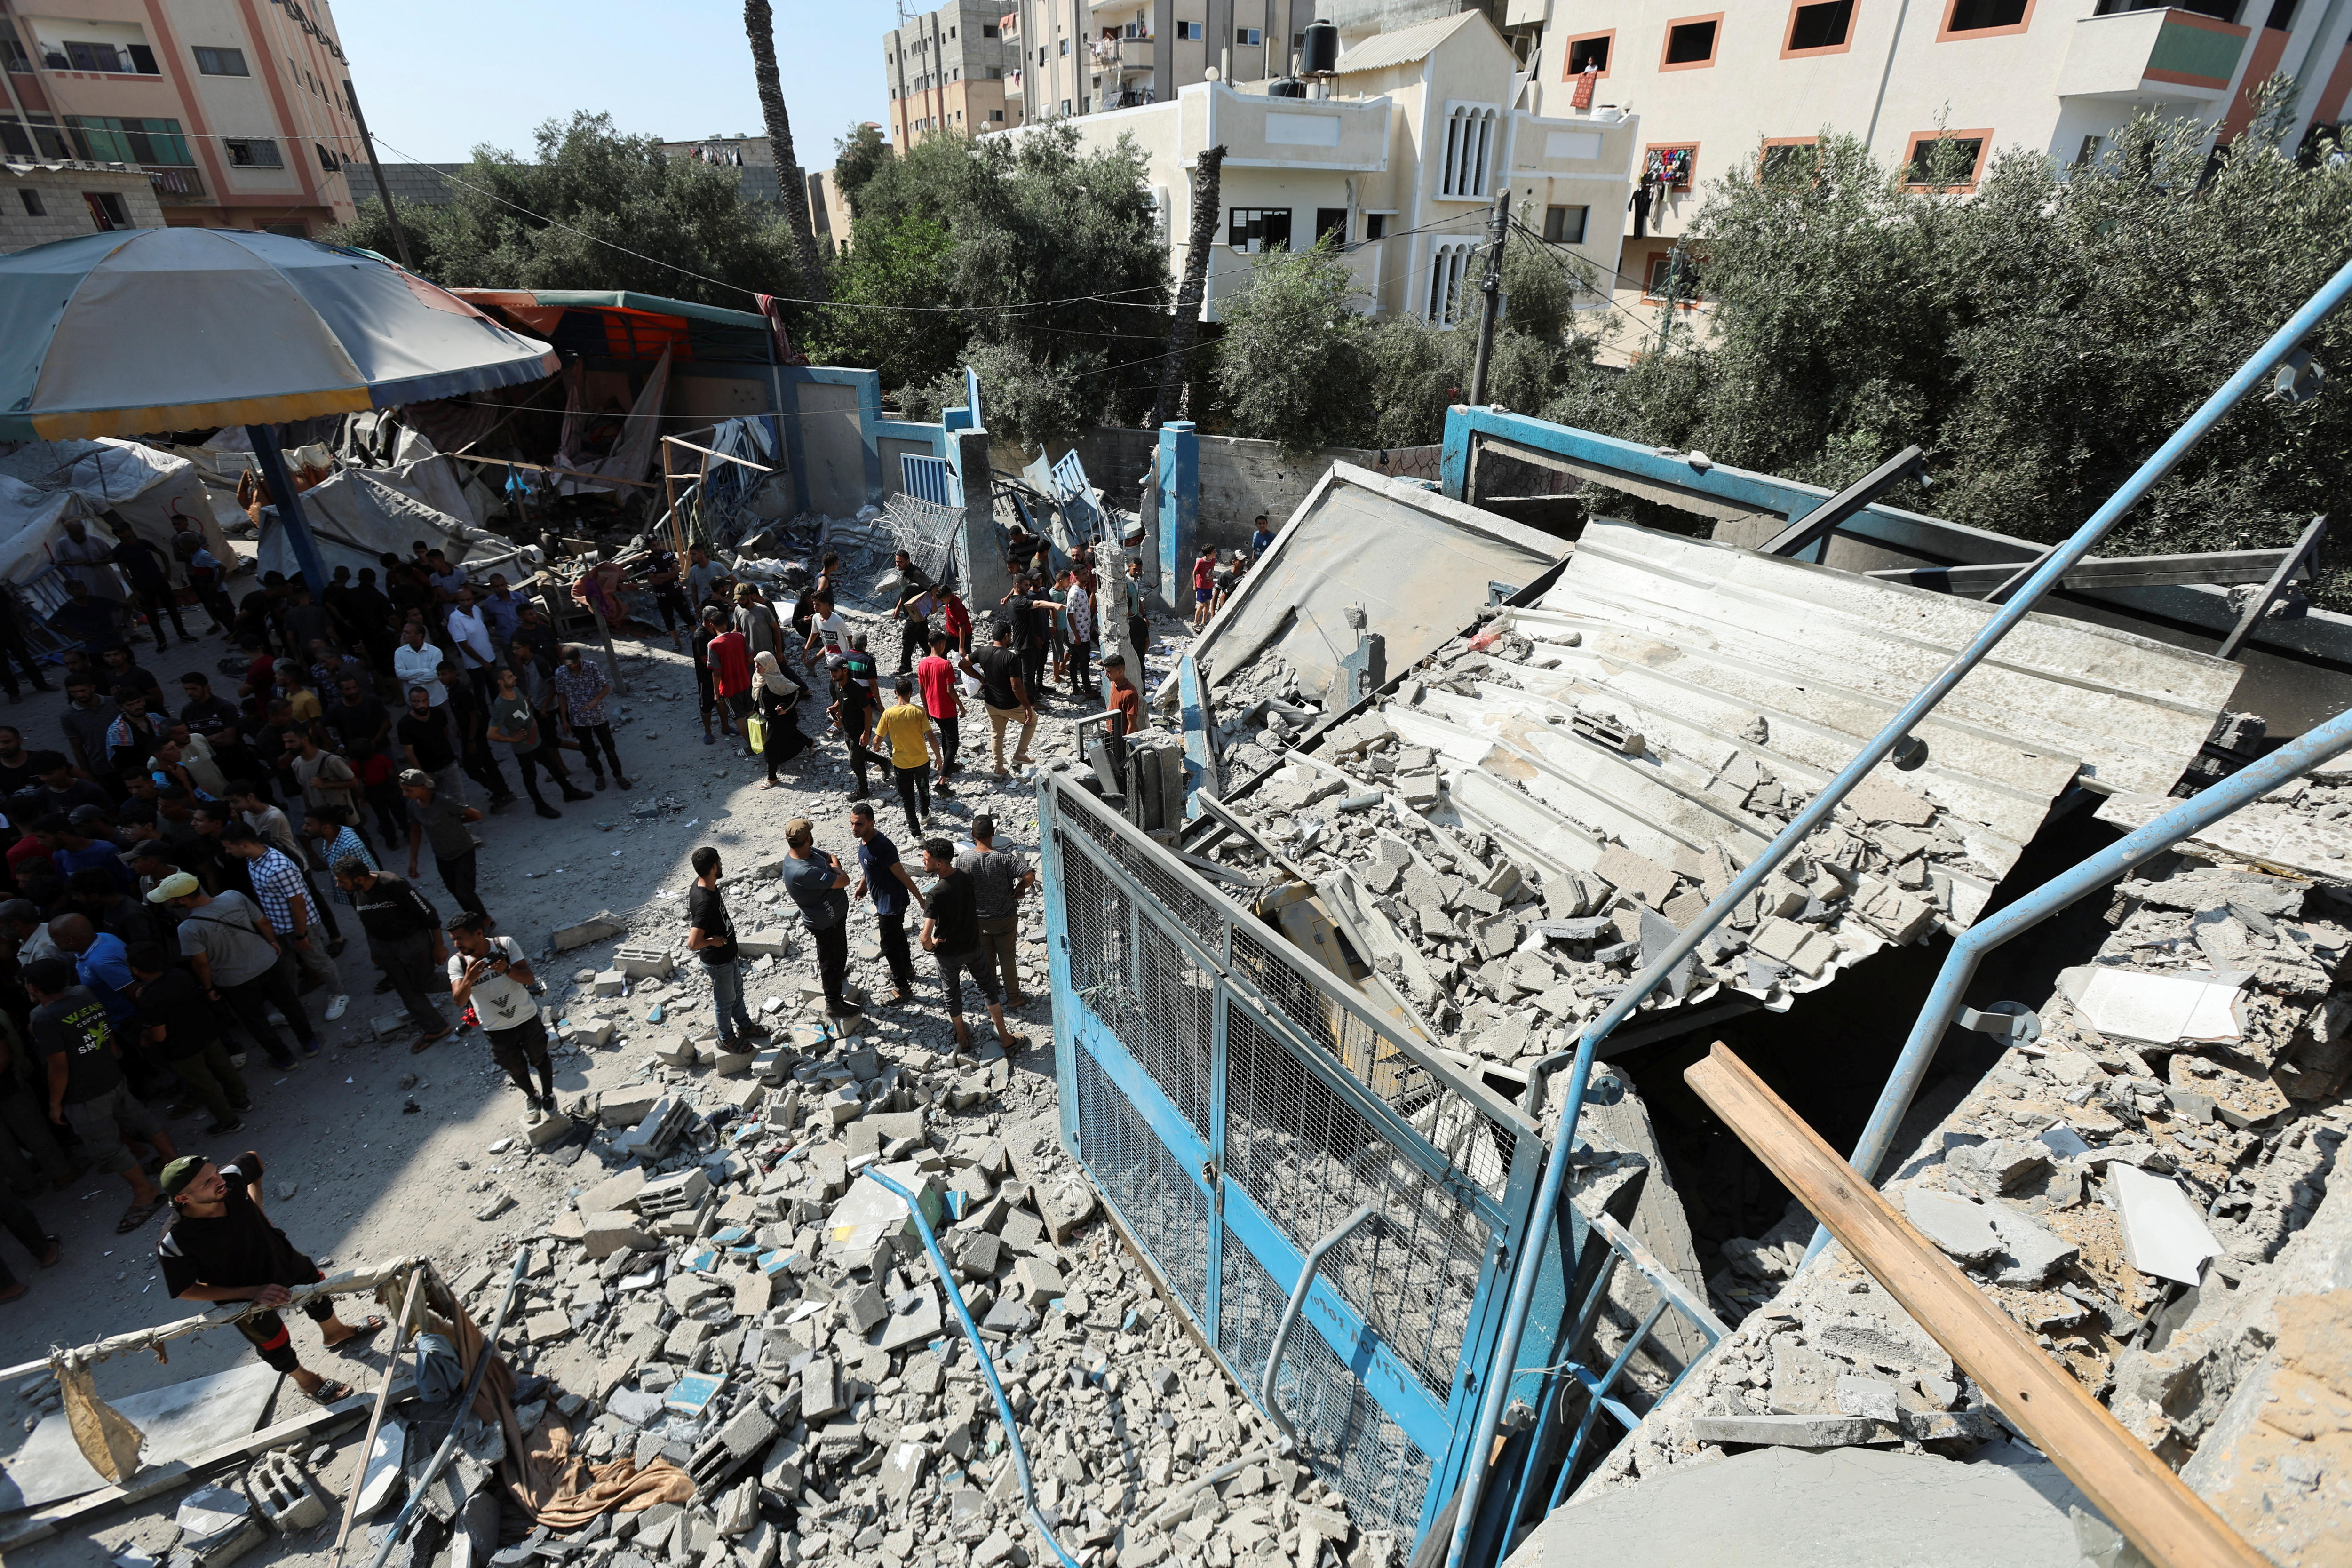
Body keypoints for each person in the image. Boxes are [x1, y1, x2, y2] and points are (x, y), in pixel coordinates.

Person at [155, 1152, 379, 1404]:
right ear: (183, 1198)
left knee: (315, 1288)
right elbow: (186, 1290)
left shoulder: (230, 1180)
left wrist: (257, 1210)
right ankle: (305, 1380)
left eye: (215, 1172)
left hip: (282, 1259)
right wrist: (252, 1292)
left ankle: (336, 1332)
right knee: (272, 1339)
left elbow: (253, 1160)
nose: (219, 1181)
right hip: (241, 1295)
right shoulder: (175, 1241)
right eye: (207, 1183)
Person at [25, 955, 175, 1233]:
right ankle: (171, 1160)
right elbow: (106, 1034)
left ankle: (146, 1192)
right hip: (111, 1076)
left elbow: (59, 1066)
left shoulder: (45, 1019)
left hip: (84, 1095)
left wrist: (55, 1104)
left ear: (34, 988)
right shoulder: (84, 996)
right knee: (140, 1118)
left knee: (106, 1147)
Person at [218, 824, 348, 1021]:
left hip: (299, 927)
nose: (227, 852)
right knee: (286, 968)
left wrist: (301, 935)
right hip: (278, 926)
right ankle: (290, 1007)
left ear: (244, 846)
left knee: (319, 961)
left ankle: (339, 995)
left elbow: (299, 905)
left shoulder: (279, 868)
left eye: (229, 848)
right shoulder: (253, 860)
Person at [127, 941, 247, 1134]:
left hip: (183, 1050)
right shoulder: (180, 975)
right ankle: (241, 1100)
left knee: (205, 1086)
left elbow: (159, 1035)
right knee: (225, 1069)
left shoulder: (150, 999)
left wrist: (145, 1036)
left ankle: (229, 1122)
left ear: (136, 970)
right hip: (207, 1033)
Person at [446, 912, 557, 1119]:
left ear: (479, 933)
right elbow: (459, 1001)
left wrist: (506, 970)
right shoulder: (458, 963)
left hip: (526, 1018)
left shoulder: (504, 944)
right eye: (453, 940)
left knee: (540, 1058)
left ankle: (548, 1095)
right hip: (495, 1029)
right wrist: (469, 979)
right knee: (515, 1068)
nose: (456, 945)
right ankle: (532, 1096)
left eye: (460, 939)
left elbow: (529, 978)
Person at [335, 858, 453, 1053]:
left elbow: (429, 914)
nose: (339, 885)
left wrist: (439, 945)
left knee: (425, 982)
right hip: (384, 948)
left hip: (412, 943)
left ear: (358, 879)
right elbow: (367, 921)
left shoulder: (393, 884)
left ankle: (473, 980)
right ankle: (436, 1028)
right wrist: (374, 950)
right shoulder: (356, 892)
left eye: (342, 881)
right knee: (405, 990)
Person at [918, 839, 1023, 1055]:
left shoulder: (935, 894)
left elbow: (925, 937)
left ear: (939, 864)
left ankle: (963, 1038)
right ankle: (1005, 1037)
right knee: (988, 988)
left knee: (952, 994)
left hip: (948, 953)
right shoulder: (965, 876)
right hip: (973, 946)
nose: (923, 862)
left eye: (926, 859)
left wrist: (931, 947)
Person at [685, 846, 772, 1053]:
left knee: (736, 993)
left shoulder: (703, 885)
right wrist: (712, 942)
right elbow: (692, 943)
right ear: (714, 866)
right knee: (724, 1002)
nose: (722, 865)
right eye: (720, 862)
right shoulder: (705, 900)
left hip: (728, 955)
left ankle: (744, 1027)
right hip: (718, 961)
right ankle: (726, 1039)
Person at [486, 664, 588, 819]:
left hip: (536, 740)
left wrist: (530, 718)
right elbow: (491, 734)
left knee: (554, 767)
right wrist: (512, 739)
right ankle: (540, 806)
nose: (515, 678)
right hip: (524, 748)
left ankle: (569, 792)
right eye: (510, 677)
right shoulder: (501, 706)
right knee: (530, 778)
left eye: (513, 675)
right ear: (500, 682)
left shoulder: (516, 691)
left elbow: (521, 709)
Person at [782, 817, 859, 1019]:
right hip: (826, 921)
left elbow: (831, 857)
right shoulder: (804, 871)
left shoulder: (805, 854)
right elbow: (844, 879)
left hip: (832, 916)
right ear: (808, 839)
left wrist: (833, 869)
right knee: (831, 958)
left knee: (837, 953)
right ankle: (833, 1002)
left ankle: (837, 974)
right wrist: (835, 870)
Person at [958, 812, 1036, 1010]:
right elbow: (1029, 876)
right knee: (1008, 958)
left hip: (978, 920)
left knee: (986, 958)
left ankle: (991, 994)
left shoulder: (964, 858)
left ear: (972, 834)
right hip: (1005, 918)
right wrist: (1019, 889)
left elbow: (958, 885)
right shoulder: (1004, 859)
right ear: (993, 834)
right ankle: (1014, 998)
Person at [849, 802, 924, 1006]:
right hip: (883, 899)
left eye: (860, 825)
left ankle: (902, 987)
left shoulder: (883, 846)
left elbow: (902, 875)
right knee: (898, 936)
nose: (855, 829)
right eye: (853, 824)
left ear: (872, 823)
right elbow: (869, 867)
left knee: (888, 945)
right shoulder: (865, 841)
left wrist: (920, 899)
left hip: (891, 903)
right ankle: (907, 969)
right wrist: (863, 884)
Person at [400, 768, 486, 921]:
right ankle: (475, 920)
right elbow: (416, 830)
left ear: (423, 787)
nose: (405, 794)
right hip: (442, 855)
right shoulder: (413, 806)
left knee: (464, 891)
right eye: (403, 790)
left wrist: (456, 823)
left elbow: (476, 815)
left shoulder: (444, 801)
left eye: (408, 790)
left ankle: (485, 920)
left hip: (462, 850)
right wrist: (413, 859)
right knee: (454, 890)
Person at [551, 646, 631, 790]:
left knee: (609, 748)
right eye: (569, 664)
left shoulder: (591, 667)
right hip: (578, 719)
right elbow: (562, 697)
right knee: (589, 750)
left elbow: (606, 688)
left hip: (598, 716)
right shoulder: (560, 673)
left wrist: (594, 701)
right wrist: (564, 720)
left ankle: (618, 776)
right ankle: (599, 776)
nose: (573, 666)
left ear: (580, 658)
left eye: (574, 663)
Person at [105, 519, 193, 651]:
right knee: (152, 616)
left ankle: (183, 633)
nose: (121, 535)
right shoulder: (119, 551)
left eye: (123, 531)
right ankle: (161, 641)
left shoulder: (143, 543)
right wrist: (134, 590)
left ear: (130, 530)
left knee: (172, 609)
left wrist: (167, 572)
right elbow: (124, 572)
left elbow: (163, 554)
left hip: (158, 581)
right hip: (142, 585)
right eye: (118, 533)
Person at [871, 676, 942, 837]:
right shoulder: (918, 712)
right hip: (921, 762)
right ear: (911, 693)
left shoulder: (888, 714)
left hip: (901, 765)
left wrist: (876, 747)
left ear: (895, 693)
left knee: (907, 799)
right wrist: (939, 757)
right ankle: (924, 813)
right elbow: (931, 737)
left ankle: (916, 834)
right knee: (924, 789)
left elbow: (877, 739)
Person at [972, 621, 1036, 778]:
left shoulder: (982, 651)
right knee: (1032, 720)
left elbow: (963, 664)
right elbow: (1016, 687)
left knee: (996, 734)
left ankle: (998, 768)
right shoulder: (1011, 657)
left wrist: (981, 678)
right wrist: (1027, 706)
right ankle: (1020, 754)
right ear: (1007, 636)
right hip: (1009, 705)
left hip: (991, 703)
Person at [751, 651, 810, 788]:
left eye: (760, 664)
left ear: (768, 665)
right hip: (770, 718)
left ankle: (772, 778)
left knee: (769, 747)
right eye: (756, 662)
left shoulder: (777, 680)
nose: (756, 666)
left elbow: (797, 692)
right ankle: (810, 743)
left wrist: (786, 708)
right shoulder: (759, 677)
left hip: (781, 718)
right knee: (792, 735)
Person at [915, 631, 962, 793]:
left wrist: (926, 708)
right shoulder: (945, 664)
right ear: (942, 644)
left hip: (933, 710)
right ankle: (942, 782)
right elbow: (950, 691)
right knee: (954, 743)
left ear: (929, 644)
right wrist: (961, 705)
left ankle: (948, 764)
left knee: (945, 738)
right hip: (947, 710)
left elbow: (921, 690)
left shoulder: (922, 664)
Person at [707, 613, 752, 755]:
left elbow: (717, 673)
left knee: (738, 718)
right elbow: (750, 660)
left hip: (729, 688)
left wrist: (716, 693)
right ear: (727, 623)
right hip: (745, 681)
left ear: (711, 624)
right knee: (750, 714)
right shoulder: (739, 637)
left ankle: (751, 748)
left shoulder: (713, 645)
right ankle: (761, 741)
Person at [445, 587, 500, 706]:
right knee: (480, 693)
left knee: (495, 689)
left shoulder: (476, 610)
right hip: (475, 665)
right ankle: (484, 717)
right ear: (458, 601)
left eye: (469, 600)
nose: (466, 603)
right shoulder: (455, 620)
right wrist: (483, 662)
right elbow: (464, 645)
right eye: (463, 601)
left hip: (490, 658)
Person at [890, 550, 934, 674]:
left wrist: (934, 606)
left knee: (907, 638)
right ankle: (937, 660)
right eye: (897, 561)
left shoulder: (916, 573)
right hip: (912, 613)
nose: (898, 564)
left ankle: (905, 666)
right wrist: (898, 607)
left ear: (908, 561)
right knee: (923, 640)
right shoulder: (904, 574)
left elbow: (934, 586)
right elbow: (904, 592)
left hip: (917, 613)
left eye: (900, 562)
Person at [391, 622, 444, 712]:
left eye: (407, 633)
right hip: (413, 701)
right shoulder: (399, 652)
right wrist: (424, 671)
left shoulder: (435, 652)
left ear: (419, 636)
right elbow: (400, 674)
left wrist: (412, 681)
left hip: (436, 698)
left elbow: (435, 674)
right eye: (404, 632)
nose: (403, 635)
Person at [1064, 568, 1096, 696]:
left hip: (1084, 633)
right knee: (1083, 662)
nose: (1087, 575)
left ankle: (1075, 687)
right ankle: (1088, 691)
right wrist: (1077, 635)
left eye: (1087, 572)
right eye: (1084, 574)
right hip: (1079, 636)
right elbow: (1070, 614)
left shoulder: (1082, 590)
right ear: (1077, 577)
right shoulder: (1075, 592)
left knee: (1075, 660)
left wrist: (1089, 625)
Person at [1104, 652, 1144, 740]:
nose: (1106, 675)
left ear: (1120, 671)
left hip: (1122, 736)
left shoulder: (1130, 694)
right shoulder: (1114, 683)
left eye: (1109, 672)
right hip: (1113, 733)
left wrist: (1125, 743)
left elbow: (1132, 725)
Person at [1191, 548, 1217, 632]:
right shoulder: (1201, 562)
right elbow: (1195, 572)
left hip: (1209, 586)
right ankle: (1195, 622)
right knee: (1202, 605)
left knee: (1208, 604)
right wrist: (1195, 585)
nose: (1216, 553)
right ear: (1208, 555)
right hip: (1201, 586)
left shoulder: (1213, 560)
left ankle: (1203, 622)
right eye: (1214, 552)